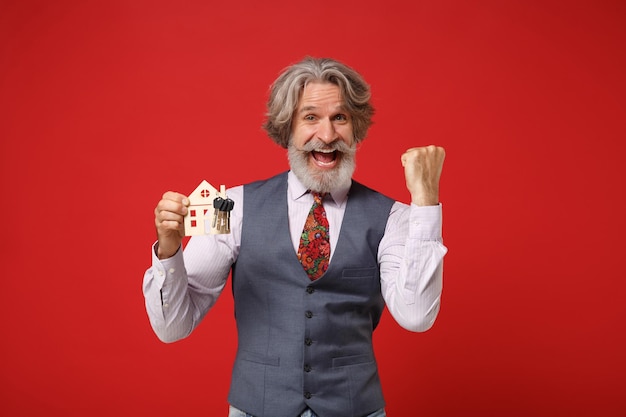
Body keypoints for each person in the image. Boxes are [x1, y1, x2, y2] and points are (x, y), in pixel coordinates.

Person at [143, 56, 447, 417]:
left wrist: (426, 202)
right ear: (286, 128)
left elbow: (417, 316)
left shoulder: (394, 217)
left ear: (356, 129)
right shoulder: (230, 207)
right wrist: (169, 248)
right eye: (310, 117)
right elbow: (173, 327)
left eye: (340, 117)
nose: (328, 135)